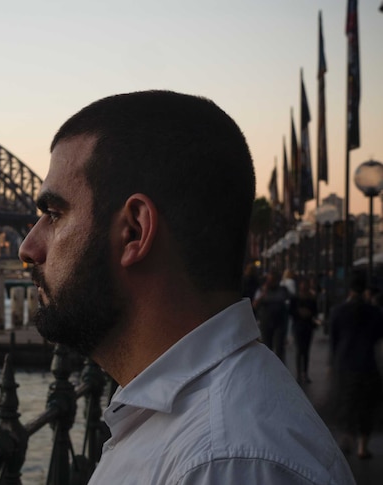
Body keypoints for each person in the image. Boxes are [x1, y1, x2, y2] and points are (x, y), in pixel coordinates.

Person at [18, 91, 353, 484]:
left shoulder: (223, 462)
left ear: (134, 232)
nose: (29, 248)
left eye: (54, 215)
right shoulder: (196, 430)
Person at [328, 274, 383, 460]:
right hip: (367, 363)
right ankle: (362, 447)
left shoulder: (337, 311)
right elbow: (378, 335)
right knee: (367, 405)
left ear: (349, 290)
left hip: (345, 363)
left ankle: (347, 438)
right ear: (365, 290)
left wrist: (333, 362)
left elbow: (333, 339)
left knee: (347, 403)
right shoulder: (374, 312)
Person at [253, 270, 290, 362]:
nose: (272, 282)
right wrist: (263, 293)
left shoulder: (283, 290)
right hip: (266, 322)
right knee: (267, 347)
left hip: (280, 322)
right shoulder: (262, 290)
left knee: (279, 348)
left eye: (274, 280)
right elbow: (255, 304)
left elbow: (288, 301)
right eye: (270, 280)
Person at [290, 277, 318, 383]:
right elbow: (291, 311)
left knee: (305, 351)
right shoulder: (295, 298)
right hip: (298, 325)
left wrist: (309, 313)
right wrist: (300, 312)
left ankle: (304, 373)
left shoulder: (311, 298)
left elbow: (315, 311)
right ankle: (299, 374)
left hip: (307, 326)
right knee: (299, 350)